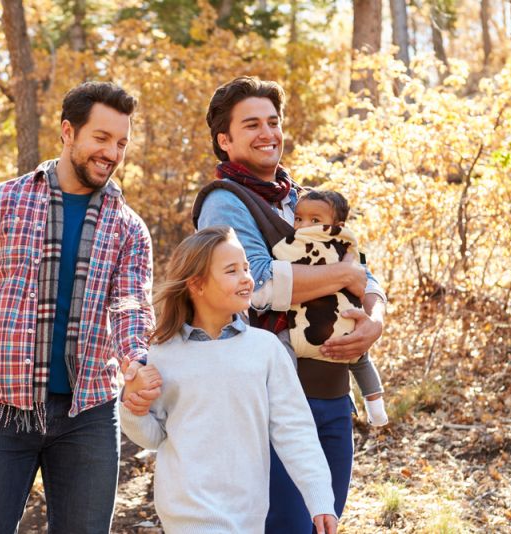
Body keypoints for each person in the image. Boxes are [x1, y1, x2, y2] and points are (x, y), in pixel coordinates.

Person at [0, 81, 159, 533]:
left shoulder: (129, 228)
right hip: (0, 410)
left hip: (89, 415)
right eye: (102, 138)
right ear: (68, 132)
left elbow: (130, 306)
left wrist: (135, 361)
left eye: (122, 143)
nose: (112, 152)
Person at [191, 76, 387, 532]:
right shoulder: (225, 202)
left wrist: (374, 317)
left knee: (327, 520)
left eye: (273, 122)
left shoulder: (302, 198)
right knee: (286, 524)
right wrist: (346, 276)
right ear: (225, 140)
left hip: (332, 388)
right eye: (252, 124)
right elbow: (255, 286)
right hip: (271, 397)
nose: (268, 133)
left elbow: (361, 266)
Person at [119, 226, 338, 534]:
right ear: (197, 284)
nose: (247, 278)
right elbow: (152, 437)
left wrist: (319, 498)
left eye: (246, 268)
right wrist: (132, 406)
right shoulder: (162, 354)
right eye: (232, 271)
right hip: (186, 513)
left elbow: (295, 430)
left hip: (248, 515)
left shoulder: (265, 350)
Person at [276, 188, 387, 426]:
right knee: (282, 350)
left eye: (314, 221)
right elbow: (269, 272)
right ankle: (286, 395)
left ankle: (376, 404)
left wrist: (375, 316)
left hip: (343, 315)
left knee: (359, 356)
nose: (304, 225)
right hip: (305, 322)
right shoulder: (293, 242)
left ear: (338, 224)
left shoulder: (352, 246)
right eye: (298, 219)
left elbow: (366, 268)